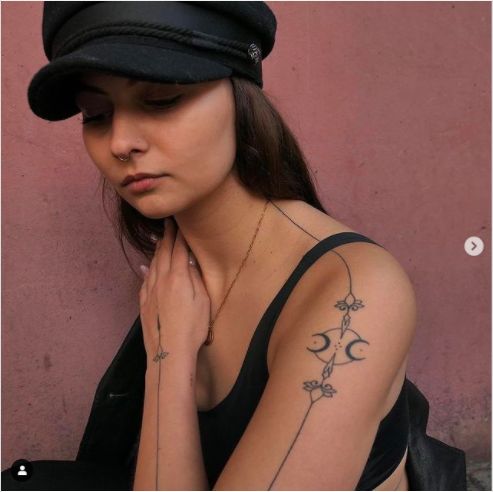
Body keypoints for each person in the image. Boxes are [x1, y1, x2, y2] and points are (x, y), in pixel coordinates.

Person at [3, 2, 466, 491]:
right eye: (96, 114)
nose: (120, 141)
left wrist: (168, 359)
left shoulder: (356, 290)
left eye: (161, 99)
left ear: (239, 97)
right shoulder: (178, 276)